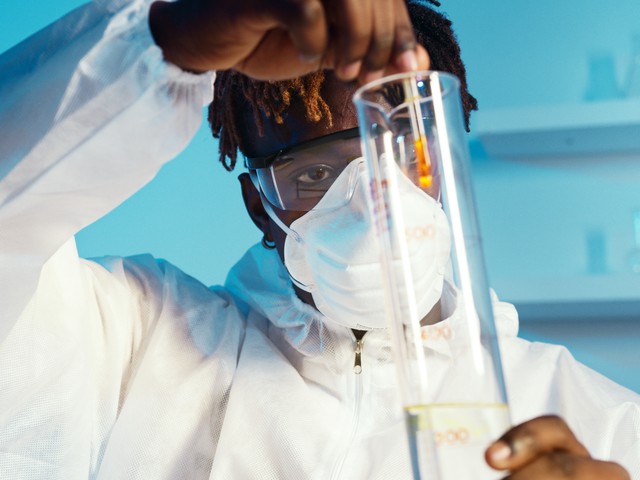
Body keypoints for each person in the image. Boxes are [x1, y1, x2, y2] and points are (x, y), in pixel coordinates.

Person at [0, 0, 637, 478]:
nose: (376, 201)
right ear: (260, 207)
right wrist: (165, 42)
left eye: (405, 156)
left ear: (448, 165)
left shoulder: (600, 423)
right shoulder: (135, 342)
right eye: (312, 173)